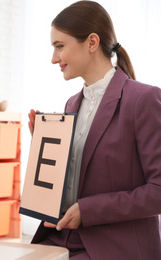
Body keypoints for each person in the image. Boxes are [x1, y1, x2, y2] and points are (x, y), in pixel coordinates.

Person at [28, 1, 161, 259]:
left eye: (59, 47)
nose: (53, 58)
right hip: (61, 234)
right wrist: (45, 149)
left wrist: (88, 211)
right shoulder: (72, 103)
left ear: (91, 42)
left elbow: (158, 190)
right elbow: (79, 177)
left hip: (112, 244)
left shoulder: (144, 99)